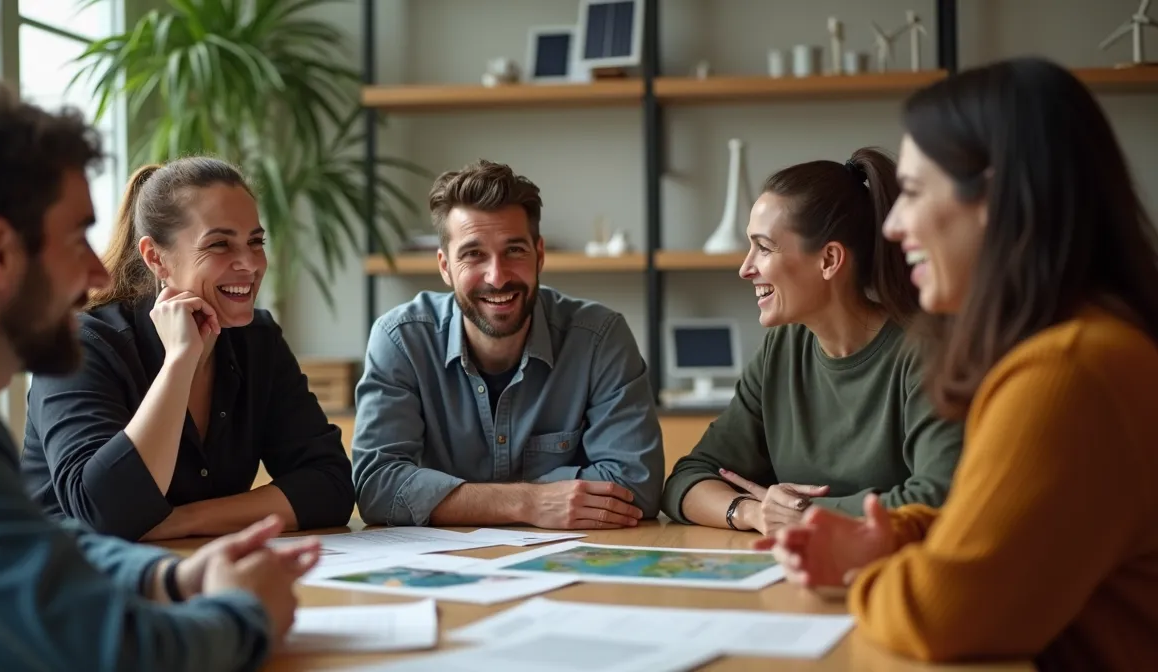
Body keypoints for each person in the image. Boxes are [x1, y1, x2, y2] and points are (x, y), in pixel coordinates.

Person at [0, 80, 320, 670]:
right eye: (77, 239)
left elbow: (28, 544)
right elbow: (112, 655)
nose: (98, 272)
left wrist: (171, 577)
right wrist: (247, 615)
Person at [759, 57, 1158, 669]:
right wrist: (892, 535)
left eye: (914, 193)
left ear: (996, 199)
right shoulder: (1078, 348)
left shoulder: (1069, 371)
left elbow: (940, 614)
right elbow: (995, 519)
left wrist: (858, 569)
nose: (891, 225)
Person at [20, 157, 356, 542]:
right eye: (219, 244)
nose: (249, 263)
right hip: (68, 586)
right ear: (156, 258)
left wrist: (178, 522)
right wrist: (179, 362)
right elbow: (105, 514)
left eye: (255, 242)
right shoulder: (79, 347)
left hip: (189, 567)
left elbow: (329, 485)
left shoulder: (257, 339)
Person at [661, 148, 964, 537]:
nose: (745, 267)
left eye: (764, 247)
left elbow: (938, 497)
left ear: (829, 260)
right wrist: (753, 513)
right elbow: (687, 480)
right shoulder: (781, 349)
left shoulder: (926, 350)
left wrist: (805, 512)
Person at [352, 159, 665, 528]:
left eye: (514, 250)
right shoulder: (400, 339)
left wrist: (455, 499)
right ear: (444, 266)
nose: (497, 277)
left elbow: (636, 485)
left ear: (540, 255)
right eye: (473, 254)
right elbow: (378, 487)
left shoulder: (599, 338)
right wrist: (526, 503)